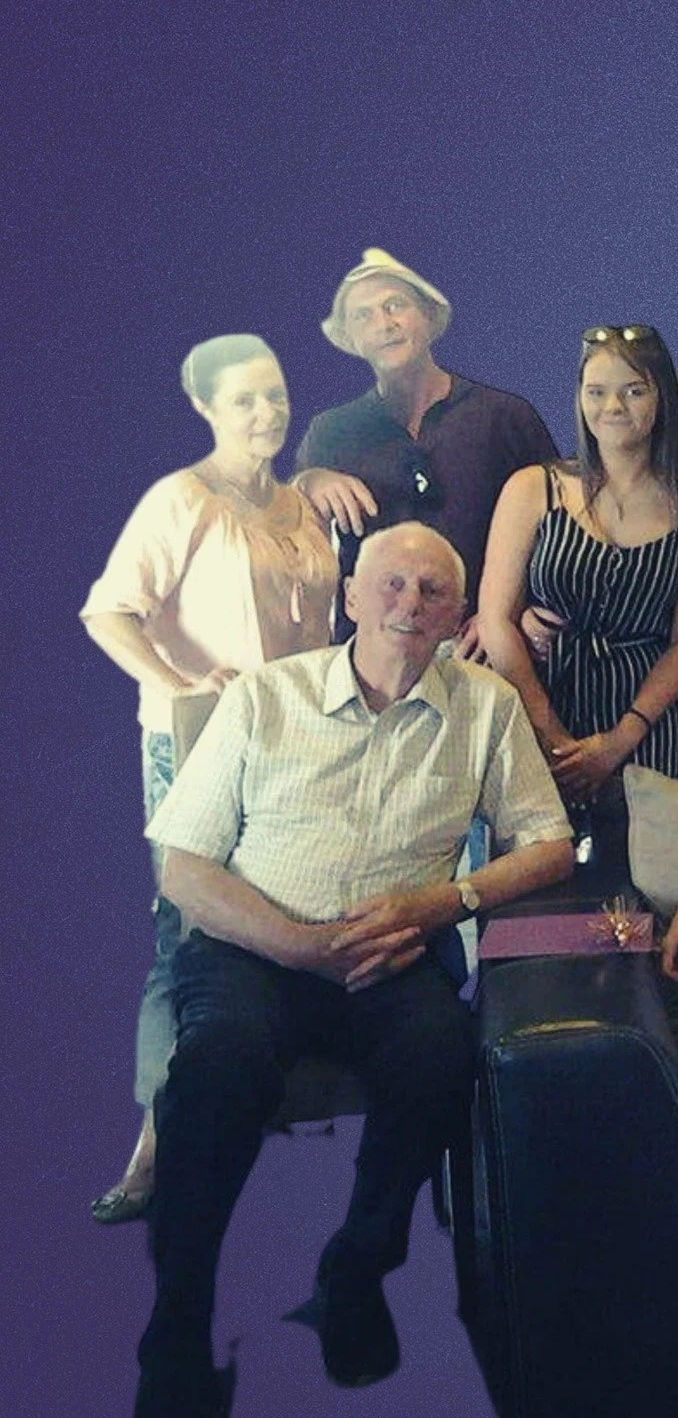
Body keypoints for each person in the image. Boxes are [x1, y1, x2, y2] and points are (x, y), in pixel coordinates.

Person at [135, 523, 575, 1415]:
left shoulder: (486, 707)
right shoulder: (266, 695)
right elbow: (183, 866)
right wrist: (295, 944)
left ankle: (356, 1273)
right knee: (218, 1067)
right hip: (254, 948)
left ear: (457, 615)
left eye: (431, 592)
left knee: (443, 1058)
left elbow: (552, 845)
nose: (409, 604)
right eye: (391, 585)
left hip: (394, 953)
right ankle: (179, 1316)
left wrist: (441, 904)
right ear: (350, 598)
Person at [81, 334, 338, 1227]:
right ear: (205, 409)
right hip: (196, 751)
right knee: (186, 937)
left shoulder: (301, 503)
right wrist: (179, 683)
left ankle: (248, 1102)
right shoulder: (181, 499)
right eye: (244, 402)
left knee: (274, 925)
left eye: (274, 395)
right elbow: (107, 609)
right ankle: (156, 1147)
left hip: (293, 752)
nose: (266, 414)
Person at [478, 324, 678, 804]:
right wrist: (551, 736)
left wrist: (618, 743)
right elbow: (495, 620)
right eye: (597, 392)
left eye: (634, 391)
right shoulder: (533, 488)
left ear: (662, 399)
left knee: (652, 874)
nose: (613, 407)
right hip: (540, 717)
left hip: (648, 731)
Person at [295, 247, 557, 652]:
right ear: (351, 338)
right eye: (364, 316)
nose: (384, 324)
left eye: (395, 305)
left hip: (484, 652)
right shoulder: (331, 432)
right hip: (374, 659)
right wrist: (307, 482)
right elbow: (292, 541)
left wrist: (512, 613)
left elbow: (560, 531)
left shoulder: (505, 417)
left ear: (429, 317)